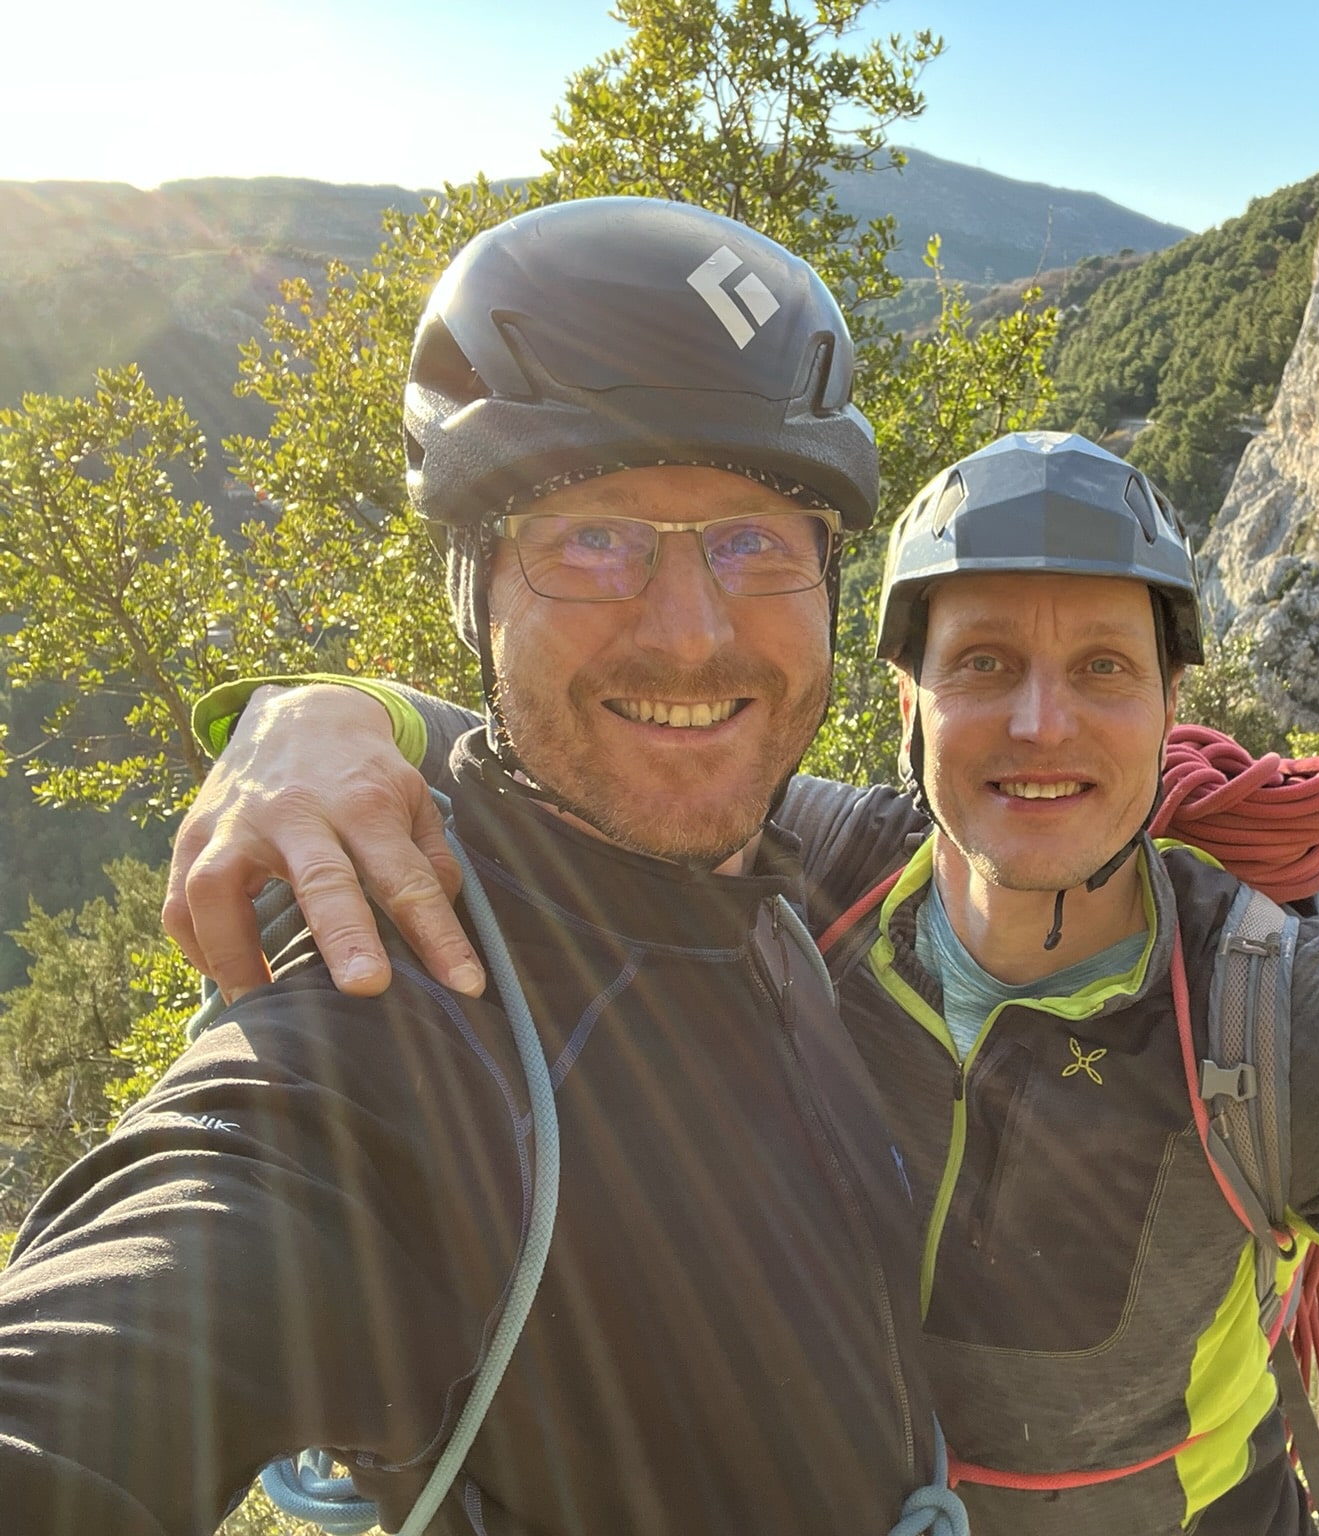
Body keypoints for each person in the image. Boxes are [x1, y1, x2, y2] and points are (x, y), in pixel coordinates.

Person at [164, 441, 1319, 1536]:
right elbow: (570, 753)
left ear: (1171, 703)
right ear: (903, 703)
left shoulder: (1275, 1023)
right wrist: (324, 718)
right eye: (983, 665)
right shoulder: (807, 872)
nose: (1042, 725)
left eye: (1103, 666)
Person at [0, 198, 960, 1536]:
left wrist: (341, 705)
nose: (693, 635)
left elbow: (1010, 821)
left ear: (830, 579)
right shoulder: (394, 1023)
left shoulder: (784, 865)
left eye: (756, 537)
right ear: (476, 588)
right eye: (593, 537)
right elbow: (102, 1361)